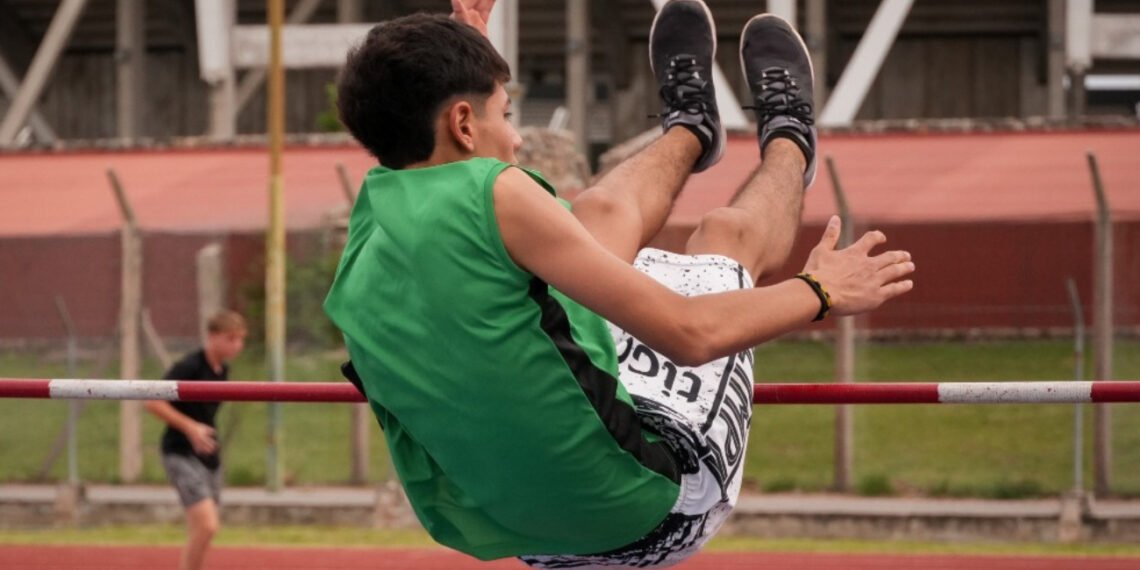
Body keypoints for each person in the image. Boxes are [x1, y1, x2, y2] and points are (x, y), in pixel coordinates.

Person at [324, 0, 915, 567]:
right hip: (651, 504)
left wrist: (464, 51)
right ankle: (790, 138)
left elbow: (429, 147)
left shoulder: (366, 238)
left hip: (521, 531)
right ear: (461, 122)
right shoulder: (497, 192)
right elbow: (692, 333)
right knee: (723, 238)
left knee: (600, 212)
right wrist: (822, 290)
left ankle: (691, 127)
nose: (518, 138)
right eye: (505, 115)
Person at [144, 310, 247, 570]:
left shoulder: (222, 369)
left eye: (240, 339)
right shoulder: (190, 366)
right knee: (207, 525)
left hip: (208, 455)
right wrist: (191, 428)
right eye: (231, 338)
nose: (237, 345)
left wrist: (204, 434)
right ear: (212, 337)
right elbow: (153, 401)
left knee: (203, 530)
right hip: (180, 452)